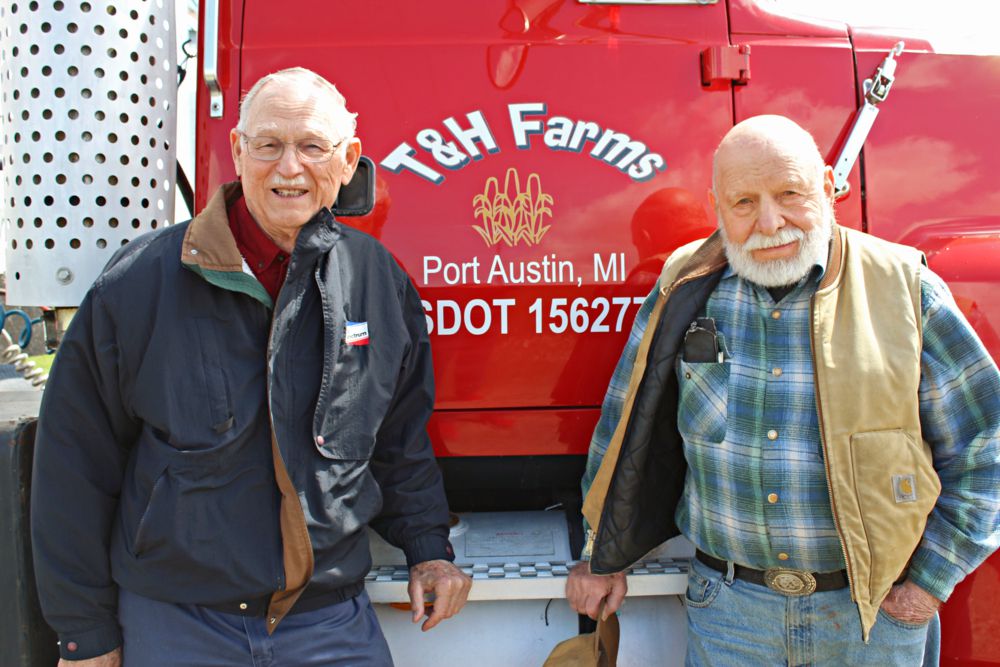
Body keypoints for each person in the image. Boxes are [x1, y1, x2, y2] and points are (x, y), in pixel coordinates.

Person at [31, 67, 471, 667]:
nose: (289, 168)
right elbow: (74, 464)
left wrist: (428, 549)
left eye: (313, 147)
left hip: (327, 623)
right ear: (238, 151)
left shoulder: (377, 281)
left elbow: (398, 440)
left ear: (348, 161)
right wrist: (83, 631)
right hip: (177, 624)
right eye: (268, 145)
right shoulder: (139, 284)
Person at [566, 115, 1000, 665]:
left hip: (871, 620)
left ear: (826, 184)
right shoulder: (686, 285)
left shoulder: (906, 287)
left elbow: (989, 445)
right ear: (716, 204)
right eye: (743, 203)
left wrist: (928, 584)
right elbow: (625, 424)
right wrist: (600, 553)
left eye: (789, 193)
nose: (770, 222)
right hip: (729, 614)